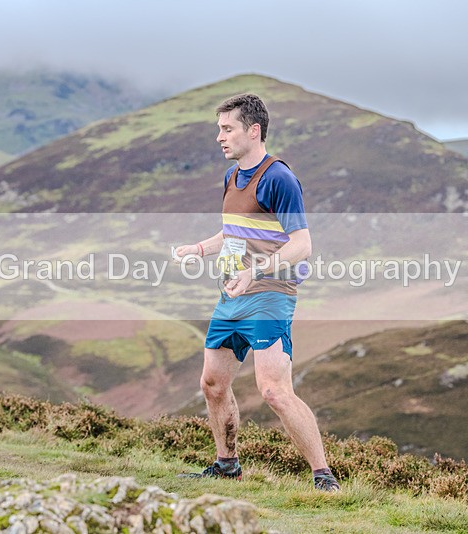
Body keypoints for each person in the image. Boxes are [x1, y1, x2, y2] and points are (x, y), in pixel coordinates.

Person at [175, 93, 340, 491]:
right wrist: (199, 248)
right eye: (219, 129)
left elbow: (302, 244)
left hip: (270, 294)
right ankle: (227, 466)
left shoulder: (279, 178)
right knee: (212, 384)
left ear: (254, 130)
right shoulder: (232, 177)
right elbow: (235, 232)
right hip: (233, 293)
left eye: (227, 128)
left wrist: (256, 271)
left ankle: (323, 477)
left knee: (273, 391)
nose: (219, 137)